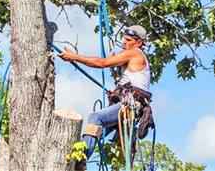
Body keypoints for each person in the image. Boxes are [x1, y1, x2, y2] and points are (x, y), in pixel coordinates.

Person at [59, 25, 151, 165]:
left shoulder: (135, 53)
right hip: (128, 103)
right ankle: (74, 157)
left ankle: (80, 161)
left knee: (96, 118)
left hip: (130, 105)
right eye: (124, 39)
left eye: (128, 40)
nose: (124, 42)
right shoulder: (133, 56)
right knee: (96, 131)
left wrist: (74, 57)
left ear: (138, 42)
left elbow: (102, 63)